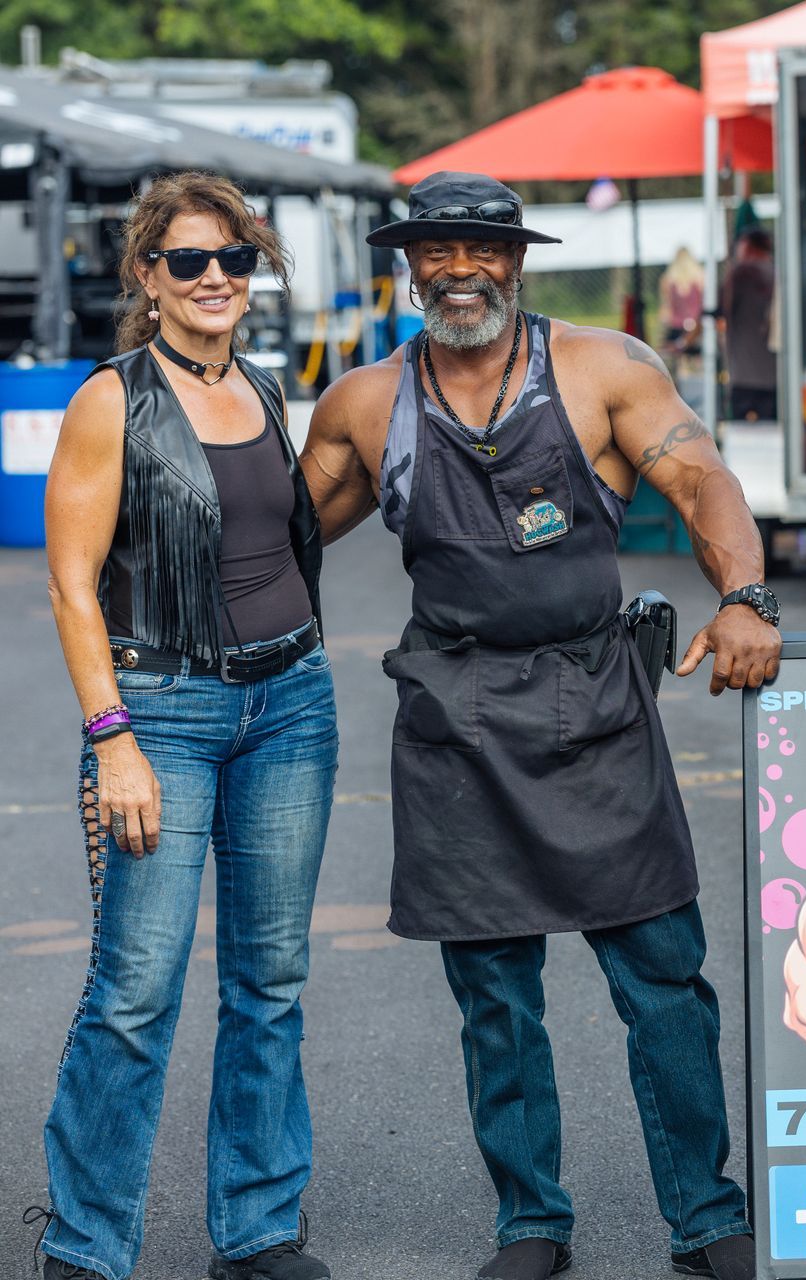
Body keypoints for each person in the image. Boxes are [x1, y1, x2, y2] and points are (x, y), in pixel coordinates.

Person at [299, 172, 778, 1280]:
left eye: (483, 247)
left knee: (663, 975)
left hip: (595, 702)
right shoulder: (368, 403)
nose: (460, 267)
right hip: (454, 718)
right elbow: (270, 545)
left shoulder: (604, 367)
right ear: (407, 265)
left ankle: (707, 1215)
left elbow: (704, 482)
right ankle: (531, 1222)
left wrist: (746, 596)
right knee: (494, 995)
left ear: (518, 260)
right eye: (437, 249)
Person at [32, 172, 337, 1280]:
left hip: (292, 706)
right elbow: (72, 585)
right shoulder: (111, 399)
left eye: (236, 260)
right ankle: (85, 1241)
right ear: (147, 278)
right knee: (135, 987)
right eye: (190, 261)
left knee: (271, 979)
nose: (216, 278)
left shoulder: (262, 387)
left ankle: (255, 1230)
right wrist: (112, 736)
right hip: (160, 709)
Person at [719, 228, 777, 421]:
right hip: (774, 377)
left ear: (748, 247)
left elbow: (717, 306)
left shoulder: (739, 273)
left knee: (741, 436)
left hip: (743, 376)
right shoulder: (780, 275)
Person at [660, 246, 706, 371]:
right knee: (698, 359)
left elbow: (666, 309)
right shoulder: (701, 277)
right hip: (697, 326)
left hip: (678, 327)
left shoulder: (668, 280)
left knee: (676, 358)